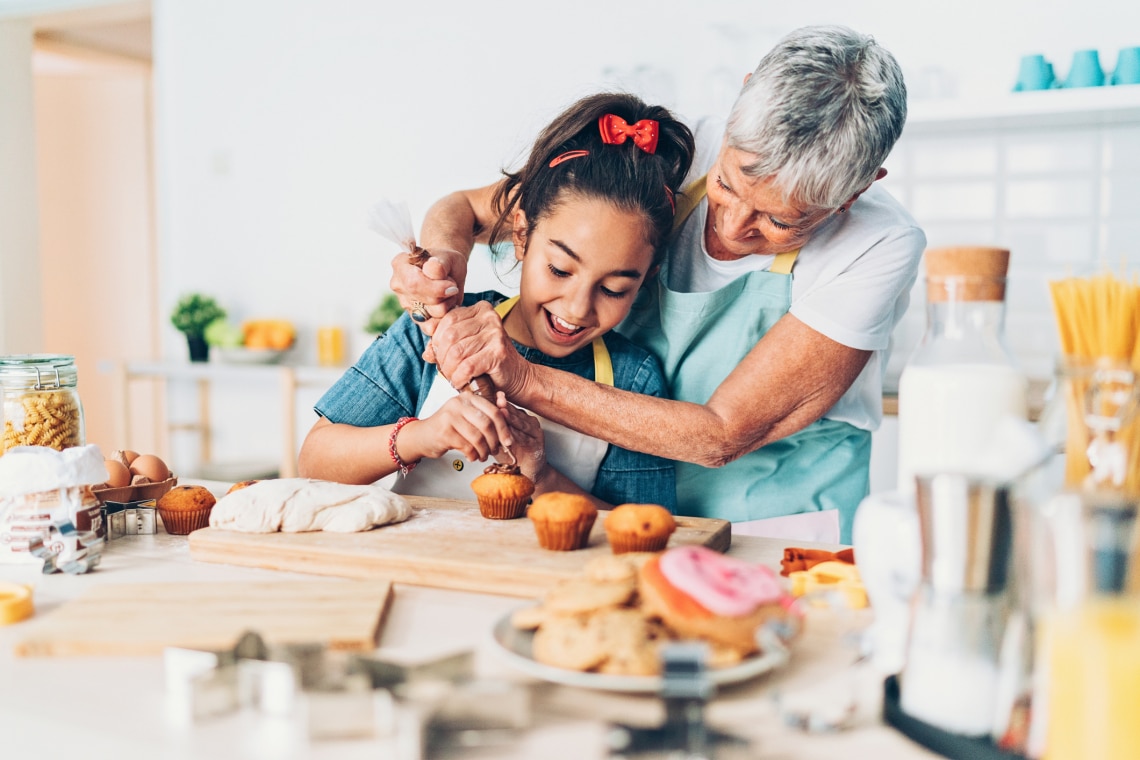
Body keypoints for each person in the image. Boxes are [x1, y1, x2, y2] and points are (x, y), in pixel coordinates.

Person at [388, 25, 926, 544]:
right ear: (739, 104)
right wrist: (441, 261)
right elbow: (464, 210)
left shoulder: (878, 244)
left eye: (780, 222)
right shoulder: (667, 151)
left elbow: (723, 434)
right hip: (621, 504)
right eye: (726, 183)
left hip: (779, 519)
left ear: (858, 189)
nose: (735, 226)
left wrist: (521, 378)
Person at [298, 92, 696, 511]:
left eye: (614, 289)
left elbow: (646, 528)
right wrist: (421, 435)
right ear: (521, 236)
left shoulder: (634, 379)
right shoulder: (441, 328)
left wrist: (541, 476)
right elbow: (314, 462)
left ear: (646, 278)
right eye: (560, 270)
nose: (578, 308)